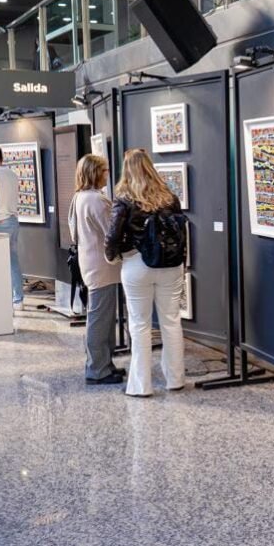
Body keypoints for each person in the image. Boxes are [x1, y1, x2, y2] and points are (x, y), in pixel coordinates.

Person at [106, 149, 187, 398]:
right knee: (171, 321)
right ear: (150, 167)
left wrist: (111, 255)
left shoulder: (125, 198)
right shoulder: (169, 197)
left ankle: (141, 386)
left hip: (137, 264)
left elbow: (113, 234)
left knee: (140, 324)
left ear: (126, 169)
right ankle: (175, 379)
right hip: (171, 265)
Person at [69, 155, 125, 385]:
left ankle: (104, 364)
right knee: (100, 318)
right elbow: (112, 233)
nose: (107, 174)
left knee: (101, 316)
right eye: (104, 170)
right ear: (94, 172)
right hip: (103, 266)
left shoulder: (78, 197)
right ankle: (97, 369)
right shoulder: (97, 200)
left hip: (90, 263)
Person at [0, 145, 24, 310]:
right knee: (13, 261)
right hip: (13, 220)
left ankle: (5, 298)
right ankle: (18, 299)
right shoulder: (12, 174)